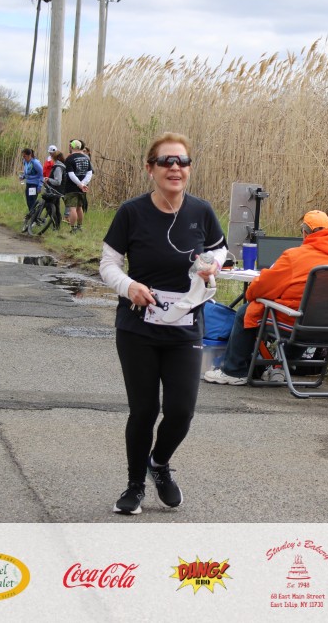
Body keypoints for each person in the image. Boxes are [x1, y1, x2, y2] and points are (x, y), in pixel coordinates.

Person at [99, 132, 227, 515]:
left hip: (185, 328)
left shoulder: (201, 211)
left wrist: (213, 265)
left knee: (181, 410)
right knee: (143, 411)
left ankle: (159, 462)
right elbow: (108, 263)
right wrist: (128, 286)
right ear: (150, 168)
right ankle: (134, 486)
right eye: (166, 161)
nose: (175, 168)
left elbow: (219, 249)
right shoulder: (132, 212)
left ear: (189, 169)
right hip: (138, 327)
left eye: (182, 161)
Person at [204, 210, 328, 385]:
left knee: (245, 312)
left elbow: (261, 288)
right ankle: (280, 366)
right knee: (303, 316)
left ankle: (233, 371)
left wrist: (251, 295)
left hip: (299, 324)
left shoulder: (294, 256)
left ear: (304, 233)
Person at [63, 139, 93, 233]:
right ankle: (79, 227)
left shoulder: (69, 158)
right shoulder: (86, 158)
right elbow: (89, 173)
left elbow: (71, 174)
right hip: (83, 188)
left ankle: (73, 228)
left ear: (71, 147)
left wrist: (79, 184)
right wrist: (83, 184)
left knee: (72, 208)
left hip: (71, 187)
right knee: (79, 208)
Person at [19, 148, 43, 216]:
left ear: (29, 155)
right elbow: (27, 172)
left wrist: (40, 186)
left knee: (32, 201)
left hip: (34, 184)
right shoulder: (25, 162)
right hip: (28, 183)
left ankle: (34, 216)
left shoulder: (35, 163)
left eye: (25, 156)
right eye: (23, 156)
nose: (23, 158)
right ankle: (32, 215)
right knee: (28, 201)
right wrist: (23, 177)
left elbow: (42, 174)